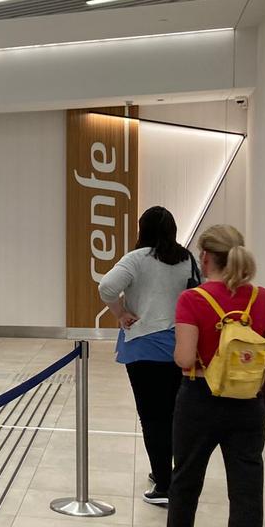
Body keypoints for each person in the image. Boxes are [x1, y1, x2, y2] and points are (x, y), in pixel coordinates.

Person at [154, 225, 265, 527]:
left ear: (206, 257)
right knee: (246, 494)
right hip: (247, 404)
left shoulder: (192, 299)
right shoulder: (261, 298)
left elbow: (183, 358)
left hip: (199, 399)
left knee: (186, 481)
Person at [98, 206, 196, 506]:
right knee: (175, 414)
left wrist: (120, 313)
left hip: (144, 347)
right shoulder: (187, 259)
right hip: (181, 346)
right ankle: (176, 476)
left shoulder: (138, 258)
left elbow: (106, 287)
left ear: (143, 229)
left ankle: (163, 482)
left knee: (152, 417)